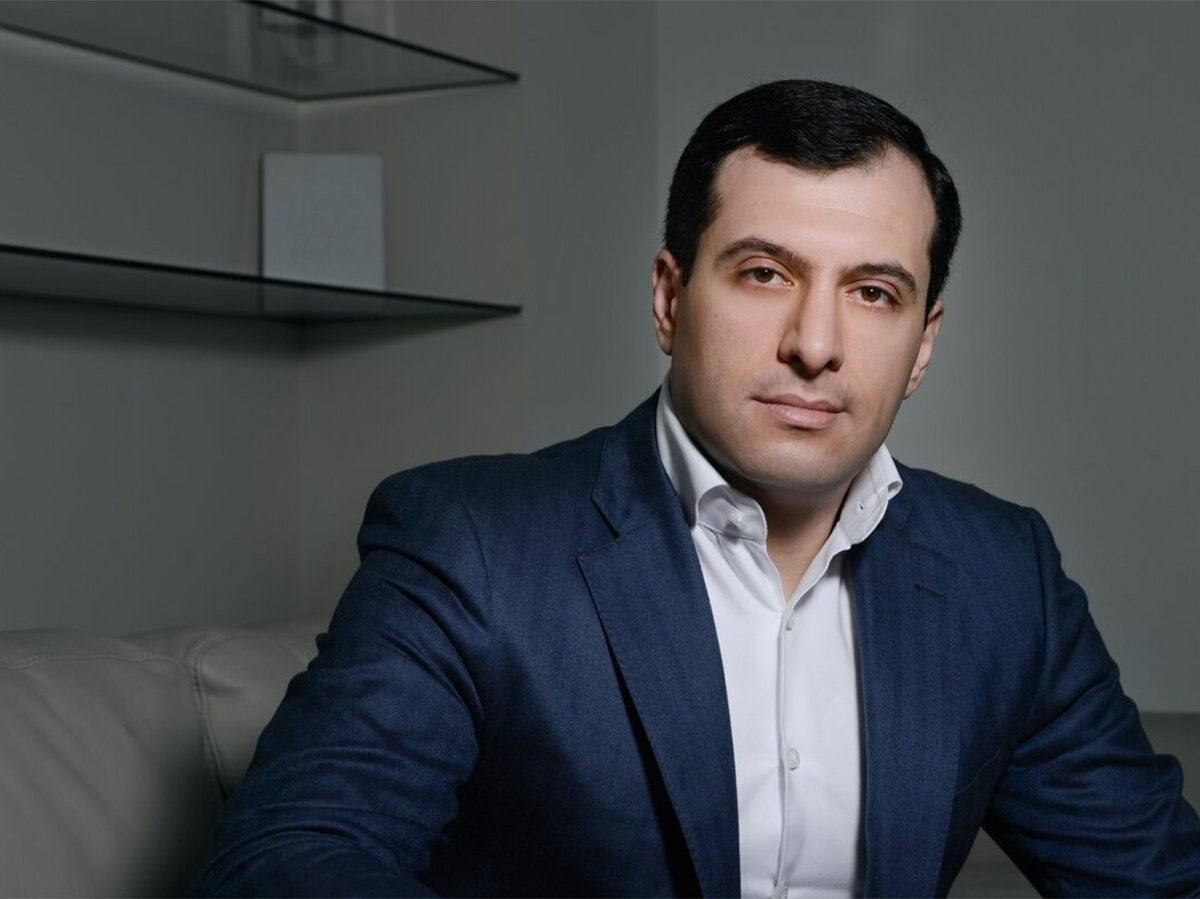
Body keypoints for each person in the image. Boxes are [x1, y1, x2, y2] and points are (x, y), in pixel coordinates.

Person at [192, 80, 1200, 897]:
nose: (815, 344)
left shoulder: (1002, 573)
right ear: (671, 299)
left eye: (873, 292)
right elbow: (286, 861)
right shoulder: (474, 543)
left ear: (923, 343)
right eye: (765, 273)